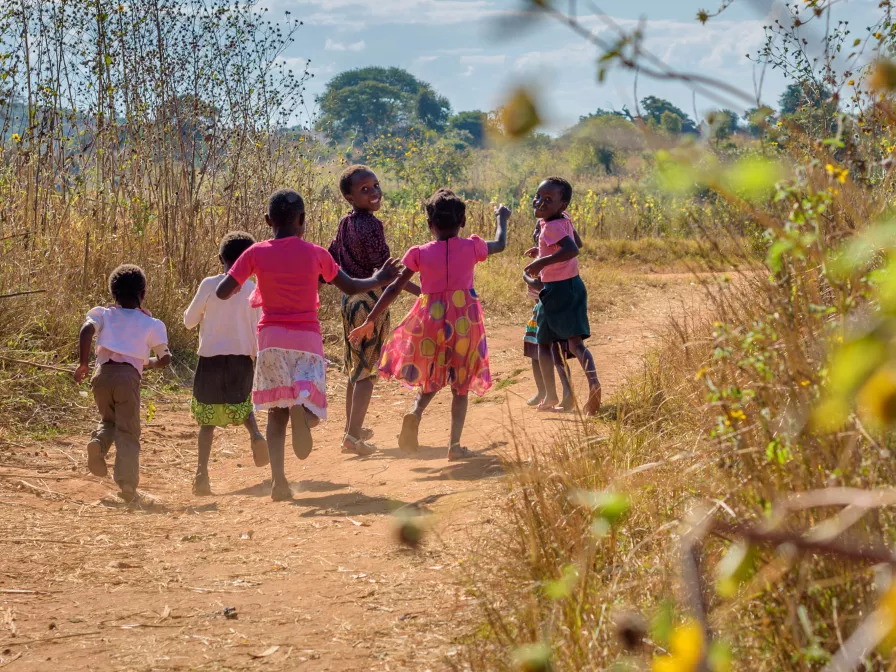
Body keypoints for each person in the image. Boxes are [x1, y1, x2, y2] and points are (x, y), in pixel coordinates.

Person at [215, 189, 400, 502]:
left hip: (271, 340)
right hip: (307, 341)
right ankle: (302, 412)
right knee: (310, 407)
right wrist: (379, 277)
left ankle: (279, 483)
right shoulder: (316, 253)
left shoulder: (255, 253)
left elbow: (223, 291)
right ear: (302, 221)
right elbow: (351, 285)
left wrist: (239, 274)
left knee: (276, 414)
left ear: (267, 221)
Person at [350, 189, 510, 461]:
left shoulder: (420, 253)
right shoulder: (472, 246)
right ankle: (454, 445)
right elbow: (500, 243)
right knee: (460, 385)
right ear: (463, 222)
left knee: (434, 373)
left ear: (429, 224)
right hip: (464, 323)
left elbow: (393, 288)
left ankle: (415, 411)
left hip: (430, 323)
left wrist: (370, 319)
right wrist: (502, 219)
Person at [328, 165, 420, 456]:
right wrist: (423, 292)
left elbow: (331, 258)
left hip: (349, 298)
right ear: (349, 196)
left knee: (354, 370)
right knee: (366, 373)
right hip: (370, 302)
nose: (374, 193)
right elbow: (387, 272)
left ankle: (350, 431)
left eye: (376, 186)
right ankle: (353, 437)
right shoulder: (371, 225)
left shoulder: (345, 224)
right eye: (364, 190)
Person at [74, 264, 171, 502]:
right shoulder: (152, 324)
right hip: (128, 380)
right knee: (128, 430)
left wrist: (83, 363)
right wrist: (147, 362)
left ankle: (98, 443)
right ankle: (127, 485)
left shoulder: (103, 314)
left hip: (102, 375)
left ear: (113, 293)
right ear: (143, 293)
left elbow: (86, 330)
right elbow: (165, 358)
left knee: (110, 421)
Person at [183, 231, 269, 497]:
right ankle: (255, 435)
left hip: (210, 359)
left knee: (206, 421)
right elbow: (260, 327)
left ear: (220, 257)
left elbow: (189, 321)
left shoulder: (209, 285)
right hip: (242, 358)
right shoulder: (254, 289)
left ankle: (202, 475)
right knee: (242, 403)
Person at [523, 177, 602, 416]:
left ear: (562, 205)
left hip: (555, 290)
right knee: (575, 343)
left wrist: (541, 261)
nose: (540, 202)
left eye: (549, 200)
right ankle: (593, 383)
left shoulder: (550, 226)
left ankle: (550, 396)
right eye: (538, 197)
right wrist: (544, 249)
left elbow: (572, 249)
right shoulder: (563, 220)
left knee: (543, 343)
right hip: (574, 286)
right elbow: (575, 241)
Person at [523, 215, 581, 411]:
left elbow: (539, 285)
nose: (539, 236)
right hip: (547, 307)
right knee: (546, 352)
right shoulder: (548, 257)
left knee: (547, 351)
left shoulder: (548, 262)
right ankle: (551, 392)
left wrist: (526, 277)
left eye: (539, 234)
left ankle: (556, 393)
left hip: (547, 308)